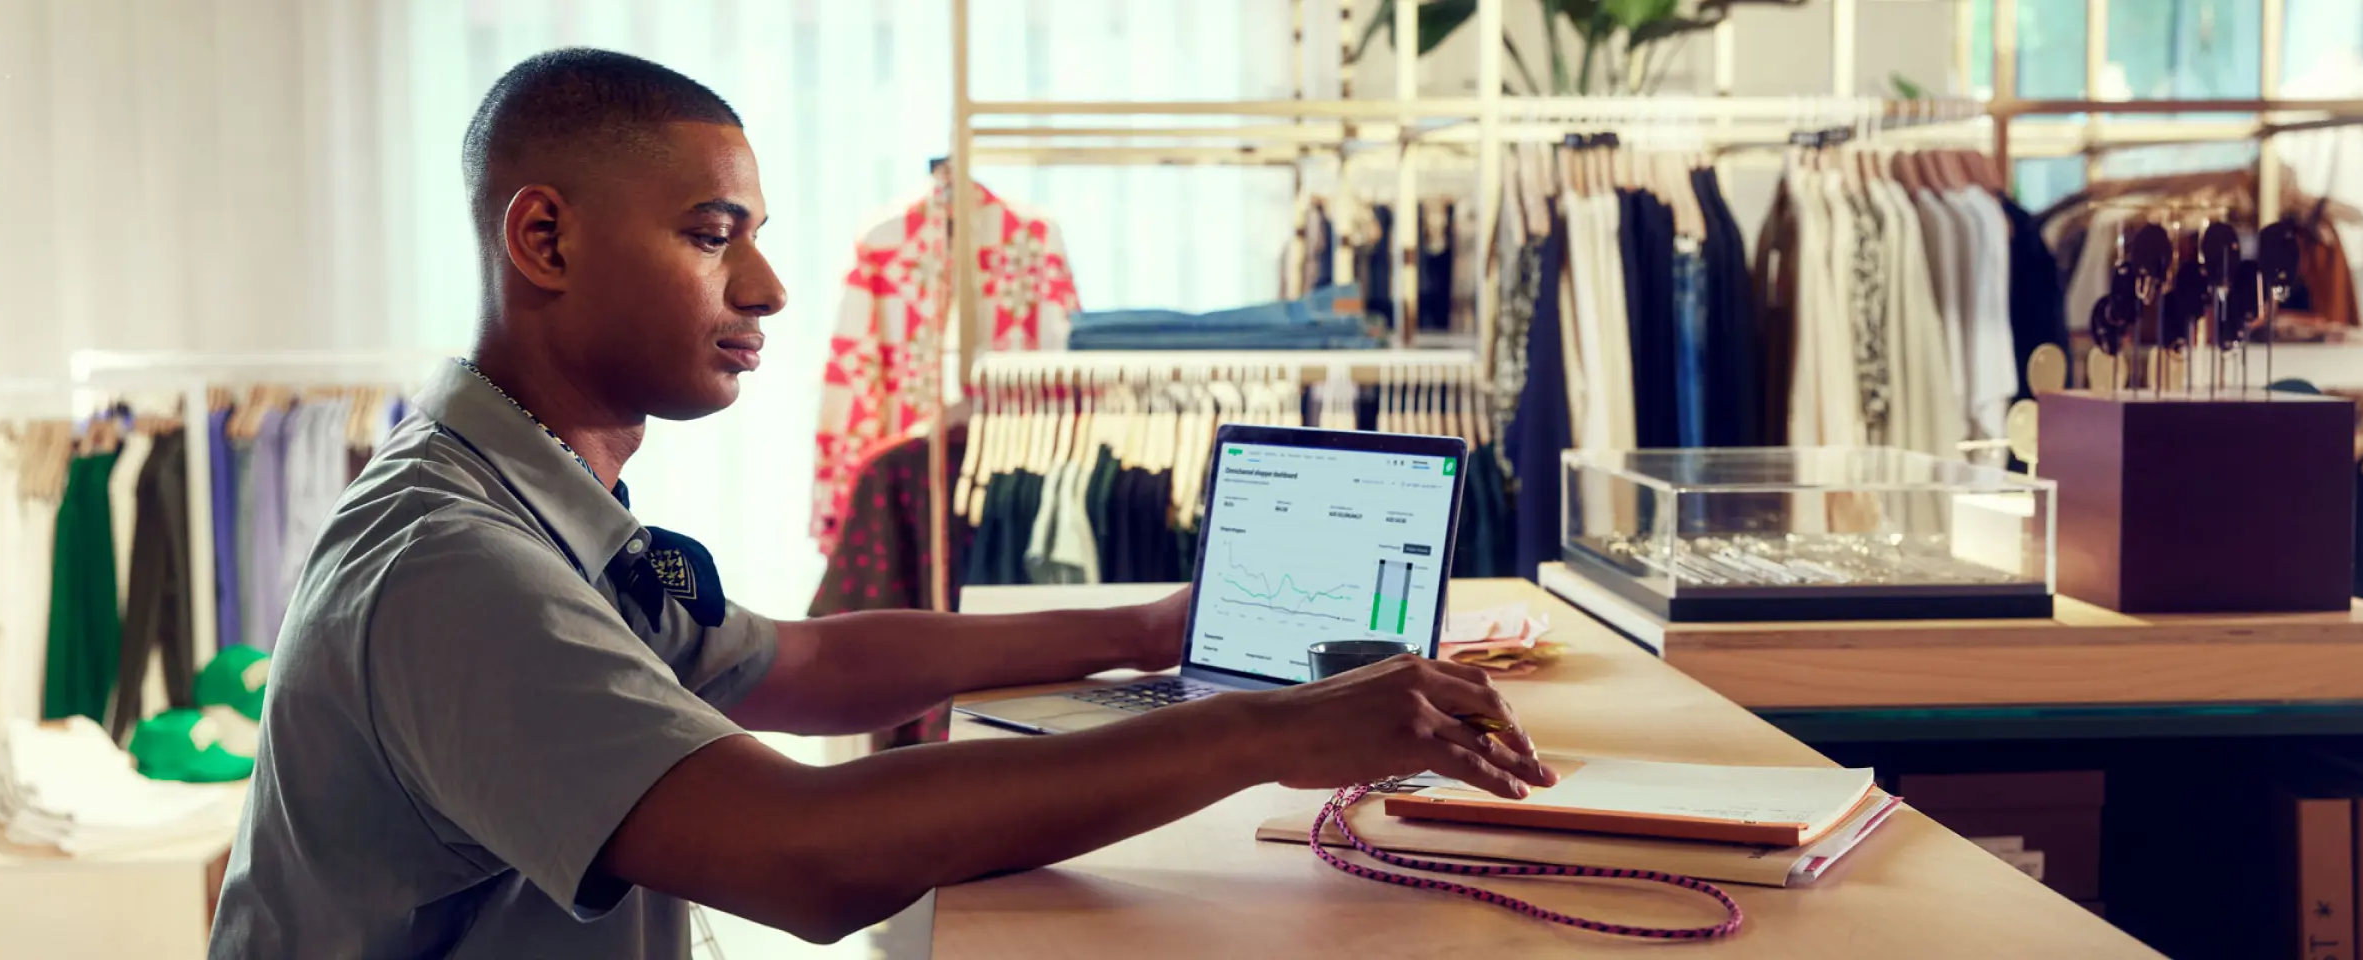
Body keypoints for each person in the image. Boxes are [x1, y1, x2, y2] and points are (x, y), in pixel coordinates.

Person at [206, 48, 1553, 959]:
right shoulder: (456, 569)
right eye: (715, 236)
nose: (771, 292)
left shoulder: (532, 505)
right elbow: (810, 857)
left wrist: (1150, 627)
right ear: (544, 240)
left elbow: (803, 663)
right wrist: (1267, 732)